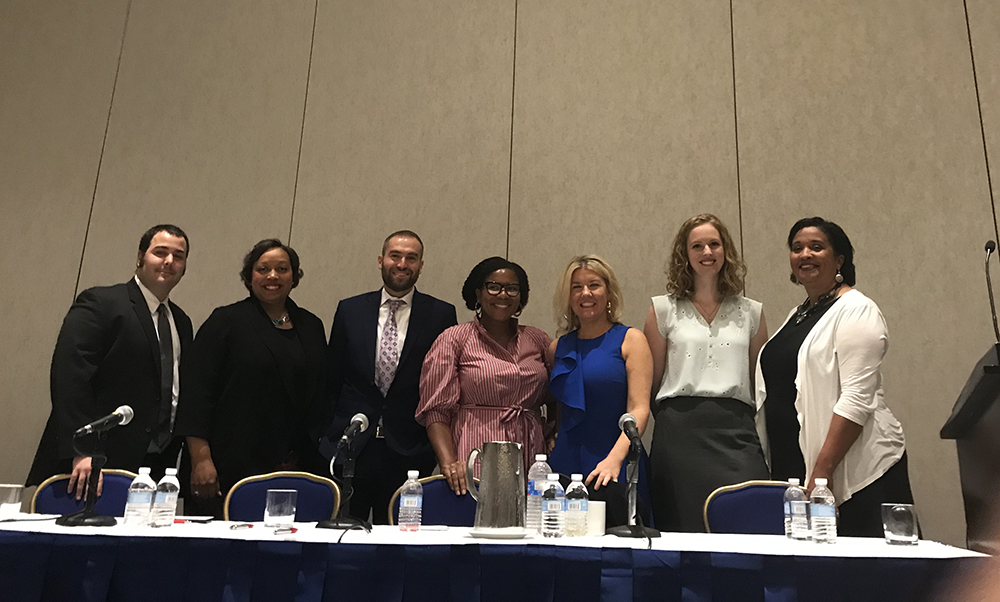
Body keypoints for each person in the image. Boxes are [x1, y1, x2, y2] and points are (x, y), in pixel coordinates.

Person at [757, 217, 912, 537]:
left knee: (867, 579)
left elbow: (857, 399)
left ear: (839, 259)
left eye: (817, 247)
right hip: (799, 471)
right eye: (797, 248)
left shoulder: (856, 310)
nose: (805, 255)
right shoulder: (797, 315)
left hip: (854, 474)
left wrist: (822, 476)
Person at [26, 225, 193, 500]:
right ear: (140, 257)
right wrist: (82, 450)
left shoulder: (181, 322)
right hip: (93, 462)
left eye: (179, 256)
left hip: (154, 466)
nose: (169, 262)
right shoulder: (101, 303)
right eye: (160, 252)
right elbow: (70, 377)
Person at [175, 239, 328, 517]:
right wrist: (201, 459)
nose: (272, 276)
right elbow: (197, 395)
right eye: (263, 269)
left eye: (282, 269)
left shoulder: (312, 326)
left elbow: (319, 396)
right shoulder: (226, 321)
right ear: (249, 277)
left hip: (294, 466)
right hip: (228, 465)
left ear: (294, 277)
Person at [643, 214, 770, 532]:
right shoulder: (663, 309)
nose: (707, 252)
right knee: (684, 530)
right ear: (684, 255)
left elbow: (758, 382)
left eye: (714, 244)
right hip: (680, 435)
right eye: (697, 246)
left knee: (745, 525)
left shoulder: (751, 312)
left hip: (736, 432)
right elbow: (652, 382)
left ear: (725, 250)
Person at [322, 231, 457, 524]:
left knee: (400, 537)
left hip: (409, 448)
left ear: (421, 265)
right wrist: (328, 436)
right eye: (395, 255)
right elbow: (333, 377)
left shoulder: (441, 314)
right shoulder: (350, 309)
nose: (402, 263)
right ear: (381, 260)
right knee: (345, 536)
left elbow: (444, 384)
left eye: (411, 258)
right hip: (353, 446)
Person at [417, 256, 552, 495]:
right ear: (478, 293)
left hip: (530, 457)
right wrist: (449, 462)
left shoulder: (538, 339)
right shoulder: (453, 339)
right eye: (493, 286)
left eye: (512, 288)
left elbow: (559, 396)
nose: (503, 294)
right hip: (473, 453)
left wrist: (553, 436)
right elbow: (435, 411)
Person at [547, 255, 654, 524]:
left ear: (608, 292)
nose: (586, 293)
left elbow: (640, 409)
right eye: (576, 287)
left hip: (615, 461)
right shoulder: (556, 348)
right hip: (565, 464)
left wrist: (613, 461)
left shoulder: (631, 340)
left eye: (593, 285)